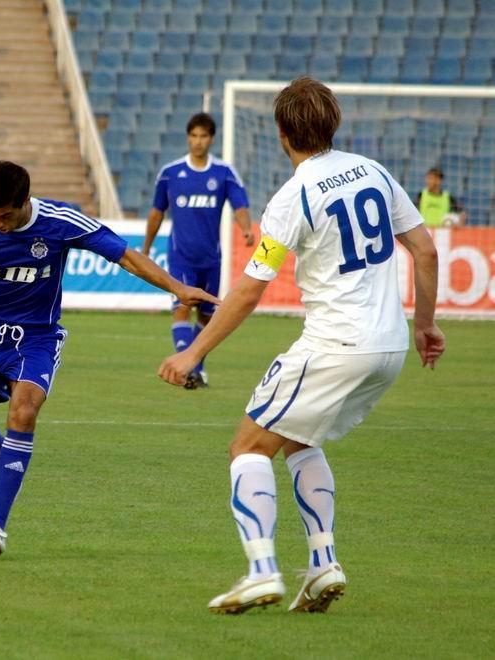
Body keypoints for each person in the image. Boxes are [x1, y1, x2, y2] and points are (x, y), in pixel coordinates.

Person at [158, 77, 445, 615]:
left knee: (248, 446)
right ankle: (322, 565)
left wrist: (193, 352)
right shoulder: (375, 172)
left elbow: (250, 290)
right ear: (333, 123)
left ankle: (261, 572)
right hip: (389, 348)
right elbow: (425, 251)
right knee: (298, 439)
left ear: (282, 133)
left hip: (336, 344)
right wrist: (425, 324)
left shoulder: (294, 196)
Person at [0, 160, 219, 558]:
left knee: (24, 411)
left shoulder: (61, 221)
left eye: (5, 215)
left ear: (25, 201)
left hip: (38, 337)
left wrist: (177, 288)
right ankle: (13, 457)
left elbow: (126, 256)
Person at [142, 112, 254, 390]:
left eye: (203, 136)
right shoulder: (170, 173)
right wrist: (146, 247)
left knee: (206, 316)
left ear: (211, 139)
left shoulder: (224, 173)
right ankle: (189, 369)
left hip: (211, 259)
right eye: (193, 136)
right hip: (181, 257)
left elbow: (240, 206)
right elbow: (157, 212)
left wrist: (246, 228)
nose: (198, 141)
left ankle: (196, 369)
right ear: (187, 138)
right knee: (181, 308)